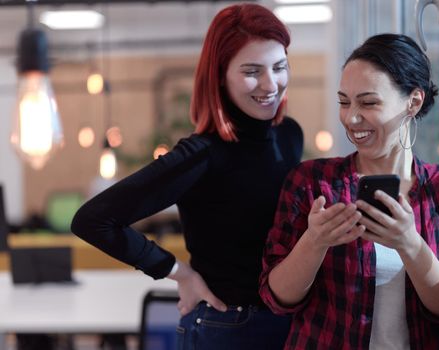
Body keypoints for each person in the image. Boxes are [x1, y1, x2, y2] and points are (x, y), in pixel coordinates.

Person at [71, 3, 303, 350]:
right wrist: (179, 272)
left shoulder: (289, 135)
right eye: (252, 70)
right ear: (220, 75)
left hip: (289, 322)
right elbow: (93, 219)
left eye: (280, 66)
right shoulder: (202, 154)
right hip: (228, 325)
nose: (271, 84)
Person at [259, 33, 439, 350]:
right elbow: (277, 298)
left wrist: (410, 244)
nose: (351, 117)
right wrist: (315, 242)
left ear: (414, 101)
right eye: (344, 101)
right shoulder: (313, 182)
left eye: (368, 102)